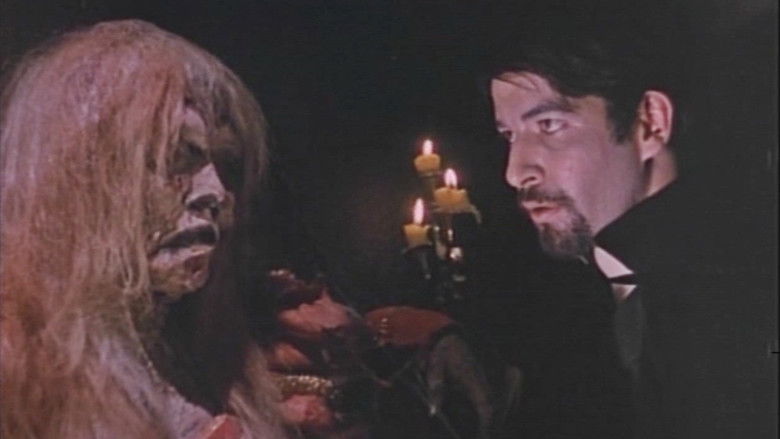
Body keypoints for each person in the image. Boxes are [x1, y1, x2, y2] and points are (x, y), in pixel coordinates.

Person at [485, 4, 776, 439]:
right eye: (509, 135)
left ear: (650, 123)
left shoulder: (737, 301)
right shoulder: (587, 289)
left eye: (549, 124)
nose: (515, 171)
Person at [0, 20, 286, 438]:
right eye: (178, 156)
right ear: (80, 169)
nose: (216, 193)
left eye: (224, 166)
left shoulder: (209, 354)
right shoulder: (16, 370)